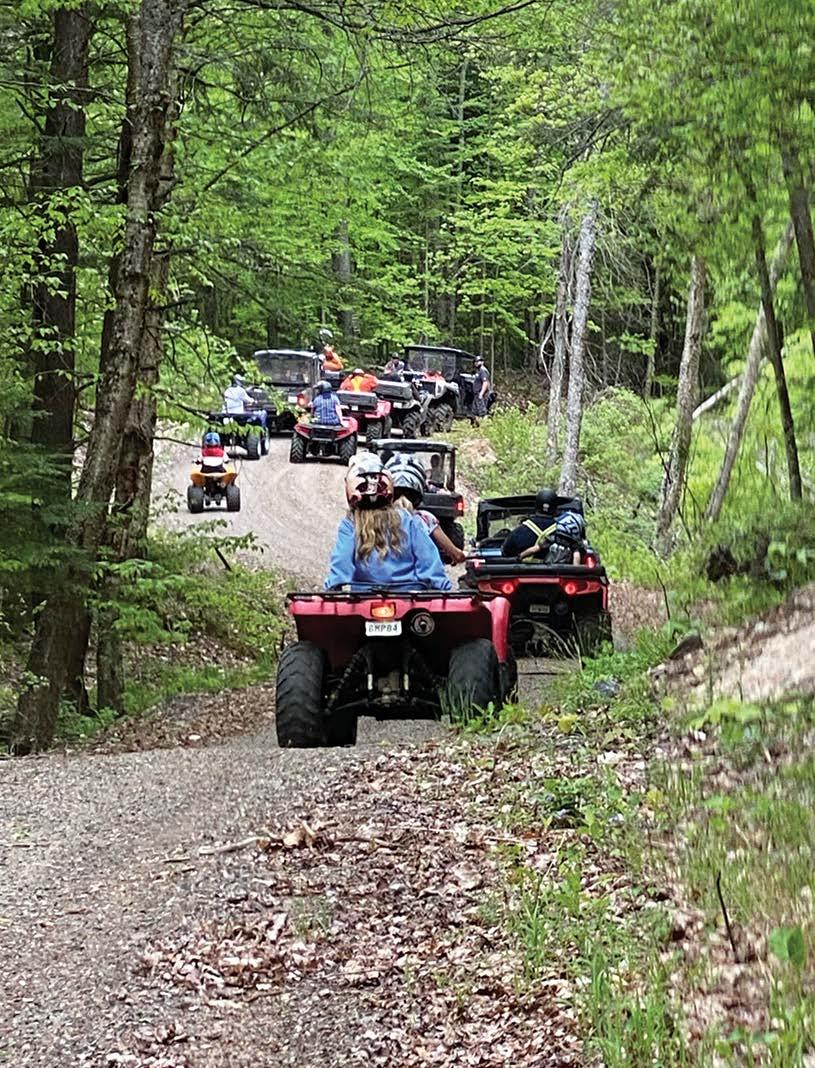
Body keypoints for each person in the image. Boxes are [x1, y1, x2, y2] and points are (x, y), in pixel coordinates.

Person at [325, 453, 452, 591]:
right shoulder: (408, 520)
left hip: (364, 598)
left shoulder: (350, 524)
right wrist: (441, 587)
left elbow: (342, 561)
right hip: (409, 596)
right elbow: (428, 558)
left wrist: (333, 587)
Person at [385, 454, 466, 565]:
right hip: (419, 575)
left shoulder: (378, 519)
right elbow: (456, 555)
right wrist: (463, 555)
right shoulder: (426, 519)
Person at [500, 488, 585, 563]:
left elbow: (505, 553)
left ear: (536, 507)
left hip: (521, 573)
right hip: (557, 573)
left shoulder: (518, 532)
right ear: (555, 509)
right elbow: (579, 554)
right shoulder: (563, 533)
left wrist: (520, 557)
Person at [470, 357, 491, 427]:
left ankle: (485, 425)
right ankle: (476, 425)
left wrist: (481, 393)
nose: (476, 363)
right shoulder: (478, 371)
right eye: (475, 362)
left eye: (478, 361)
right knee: (474, 411)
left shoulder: (483, 371)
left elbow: (485, 383)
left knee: (482, 410)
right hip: (476, 393)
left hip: (481, 394)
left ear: (482, 362)